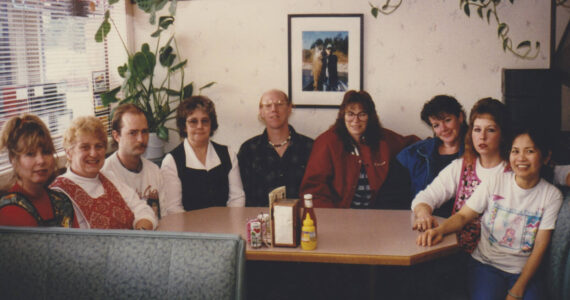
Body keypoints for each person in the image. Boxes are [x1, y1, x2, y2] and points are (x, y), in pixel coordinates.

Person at [417, 125, 563, 300]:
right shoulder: (496, 181)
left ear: (546, 156)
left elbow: (540, 246)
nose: (521, 158)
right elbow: (463, 216)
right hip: (486, 265)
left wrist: (518, 289)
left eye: (530, 151)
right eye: (515, 151)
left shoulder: (551, 195)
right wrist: (439, 230)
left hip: (524, 271)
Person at [411, 97, 511, 252]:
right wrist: (423, 214)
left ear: (502, 133)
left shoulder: (513, 170)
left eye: (490, 130)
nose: (482, 137)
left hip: (498, 257)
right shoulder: (461, 166)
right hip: (458, 251)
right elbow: (425, 197)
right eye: (477, 130)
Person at [299, 90, 419, 208]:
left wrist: (437, 142)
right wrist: (333, 219)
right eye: (350, 114)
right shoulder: (326, 142)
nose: (356, 120)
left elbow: (414, 145)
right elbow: (313, 189)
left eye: (362, 114)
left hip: (377, 216)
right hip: (339, 215)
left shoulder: (383, 139)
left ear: (370, 117)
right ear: (343, 115)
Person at [50, 115, 157, 230]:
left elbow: (141, 209)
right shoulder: (59, 192)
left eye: (98, 146)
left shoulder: (109, 176)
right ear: (69, 153)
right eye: (85, 147)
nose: (94, 153)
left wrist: (141, 233)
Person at [161, 96, 245, 211]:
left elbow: (237, 199)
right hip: (187, 227)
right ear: (184, 126)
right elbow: (173, 208)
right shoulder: (172, 161)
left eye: (205, 121)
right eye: (193, 121)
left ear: (211, 125)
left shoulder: (228, 154)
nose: (200, 126)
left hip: (224, 226)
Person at [238, 90, 313, 207]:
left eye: (279, 104)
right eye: (268, 105)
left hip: (301, 220)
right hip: (261, 220)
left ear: (289, 108)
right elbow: (241, 194)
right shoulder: (248, 150)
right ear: (261, 112)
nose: (274, 109)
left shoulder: (309, 147)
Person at [102, 104, 177, 219]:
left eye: (144, 132)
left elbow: (164, 217)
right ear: (116, 136)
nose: (141, 139)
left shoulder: (154, 171)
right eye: (133, 133)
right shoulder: (105, 173)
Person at [0, 114, 77, 227]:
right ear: (14, 159)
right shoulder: (9, 210)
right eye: (30, 154)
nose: (41, 161)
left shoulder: (62, 201)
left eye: (46, 152)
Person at [397, 95, 468, 217]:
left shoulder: (475, 152)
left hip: (462, 223)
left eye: (447, 120)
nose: (443, 129)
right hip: (425, 221)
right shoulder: (415, 153)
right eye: (436, 125)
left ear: (460, 117)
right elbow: (396, 197)